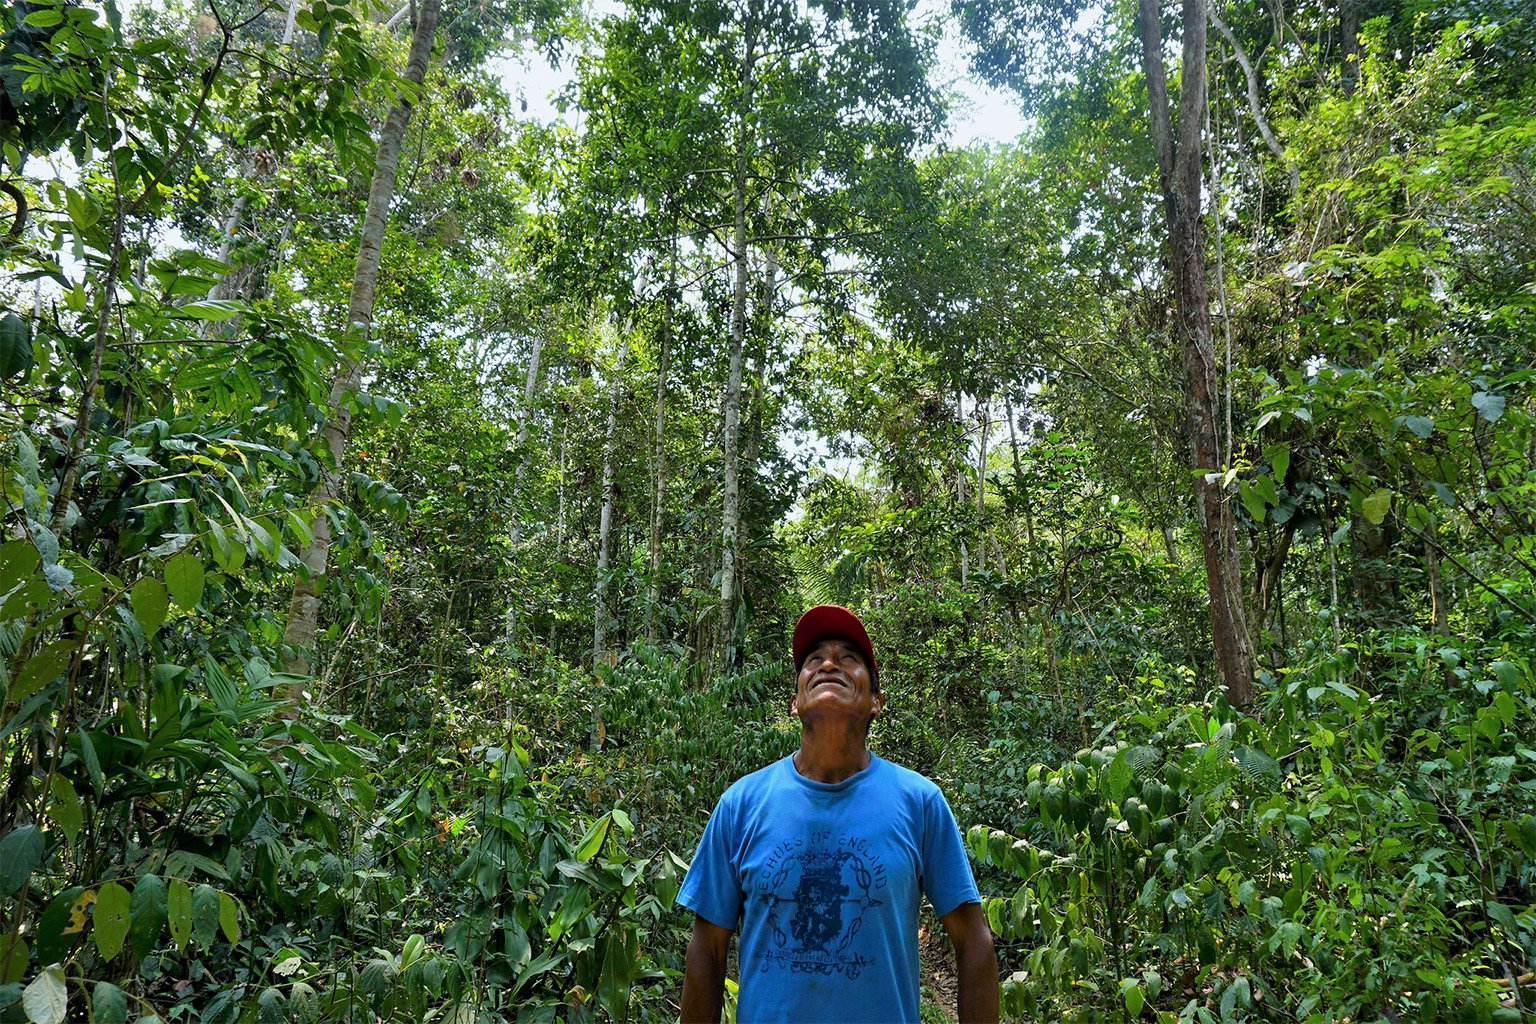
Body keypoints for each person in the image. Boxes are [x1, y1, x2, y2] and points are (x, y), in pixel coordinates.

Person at [677, 605, 999, 1024]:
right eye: (814, 660)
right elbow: (708, 948)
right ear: (794, 702)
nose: (829, 663)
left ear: (876, 702)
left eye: (848, 658)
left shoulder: (920, 803)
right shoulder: (742, 804)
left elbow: (974, 942)